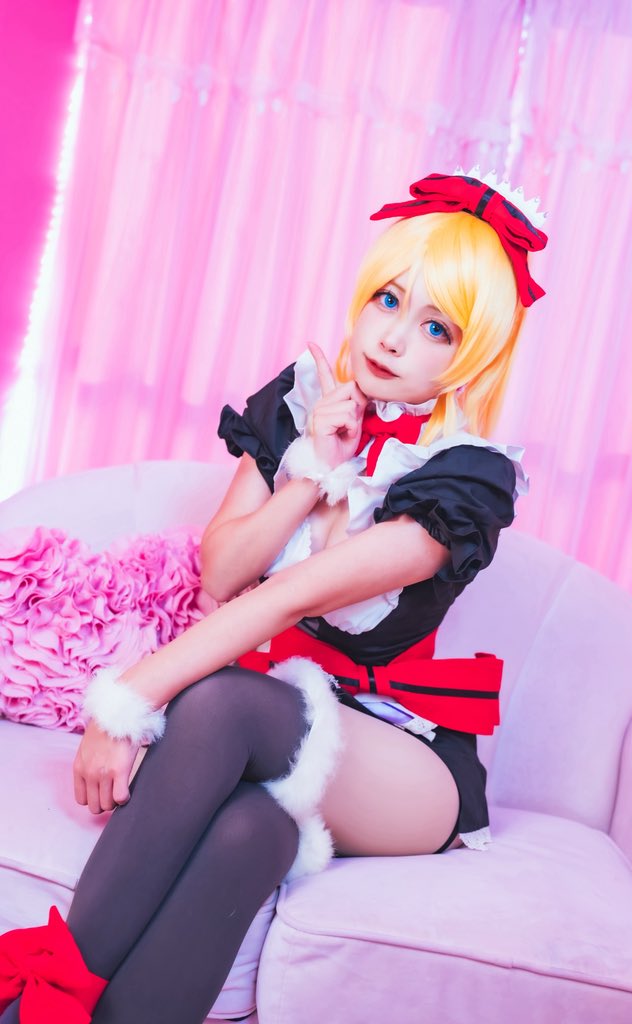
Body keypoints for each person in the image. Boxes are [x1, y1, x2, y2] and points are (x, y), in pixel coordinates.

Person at [0, 169, 547, 1023]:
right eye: (389, 299)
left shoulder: (463, 481)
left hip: (399, 764)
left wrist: (128, 700)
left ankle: (40, 1002)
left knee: (221, 702)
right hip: (278, 727)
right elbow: (222, 574)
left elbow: (288, 596)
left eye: (436, 326)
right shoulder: (301, 406)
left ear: (471, 355)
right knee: (252, 831)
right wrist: (313, 470)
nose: (393, 337)